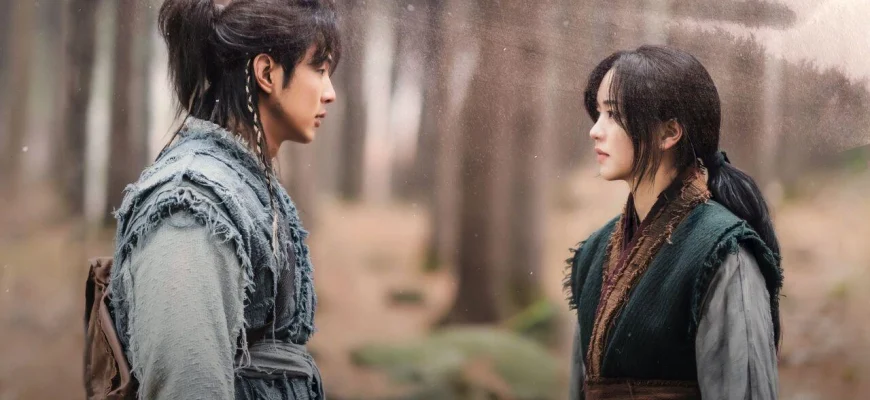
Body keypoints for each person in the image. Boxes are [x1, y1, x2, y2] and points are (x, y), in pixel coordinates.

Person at [107, 0, 340, 398]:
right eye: (318, 70)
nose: (330, 93)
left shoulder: (242, 181)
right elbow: (186, 383)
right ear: (266, 73)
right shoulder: (191, 206)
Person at [564, 45, 783, 400]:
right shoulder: (593, 253)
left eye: (613, 114)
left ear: (669, 133)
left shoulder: (723, 253)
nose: (595, 130)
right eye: (598, 113)